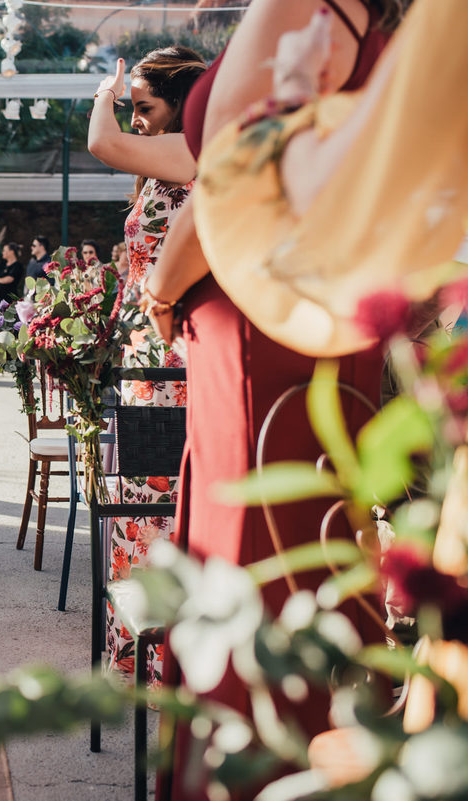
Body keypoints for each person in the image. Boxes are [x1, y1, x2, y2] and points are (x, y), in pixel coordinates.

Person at [137, 2, 406, 798]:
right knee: (313, 544)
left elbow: (231, 175)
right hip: (319, 311)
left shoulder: (303, 7)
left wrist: (160, 288)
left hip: (255, 320)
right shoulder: (366, 21)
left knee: (254, 555)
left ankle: (253, 771)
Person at [88, 44, 207, 683]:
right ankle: (139, 656)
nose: (135, 119)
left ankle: (165, 664)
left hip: (171, 359)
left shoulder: (192, 151)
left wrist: (104, 94)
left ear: (181, 105)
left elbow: (101, 142)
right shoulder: (164, 165)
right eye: (131, 106)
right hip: (145, 356)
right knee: (138, 498)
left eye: (145, 107)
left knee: (158, 499)